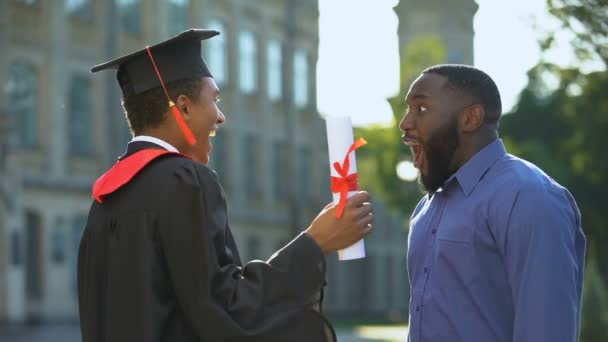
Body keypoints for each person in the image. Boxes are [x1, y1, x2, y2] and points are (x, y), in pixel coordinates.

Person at [77, 29, 374, 342]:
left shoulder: (106, 198)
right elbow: (228, 311)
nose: (220, 117)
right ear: (184, 108)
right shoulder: (185, 181)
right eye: (215, 100)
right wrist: (314, 243)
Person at [399, 64, 586, 342]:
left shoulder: (530, 197)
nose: (405, 124)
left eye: (421, 109)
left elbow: (546, 330)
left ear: (471, 118)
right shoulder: (425, 209)